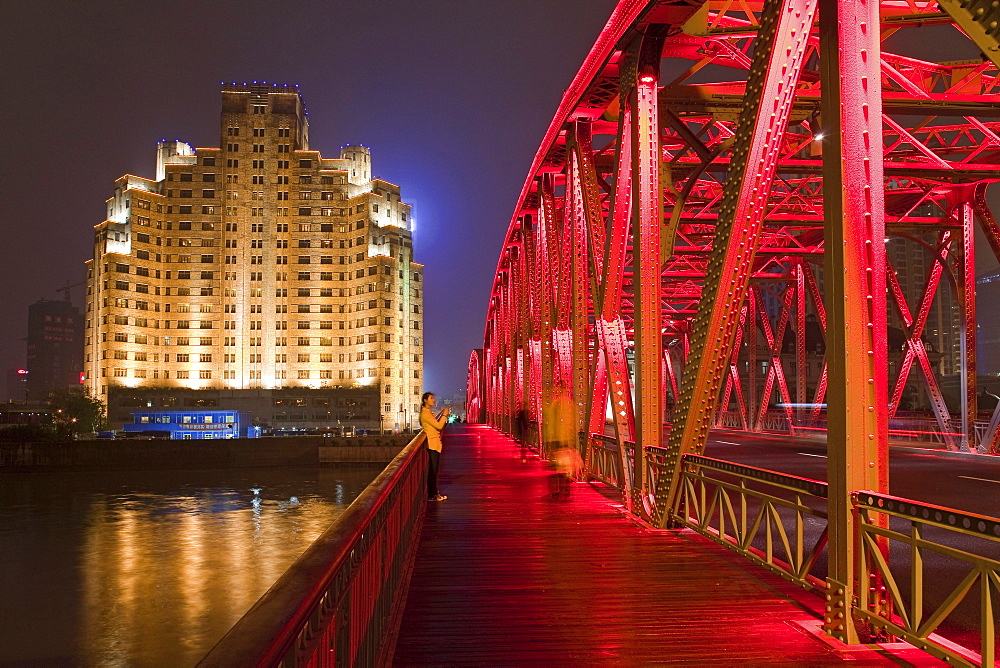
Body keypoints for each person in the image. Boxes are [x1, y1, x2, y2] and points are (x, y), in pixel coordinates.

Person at [420, 391, 450, 501]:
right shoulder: (425, 414)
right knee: (433, 471)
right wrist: (444, 414)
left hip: (434, 444)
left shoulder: (428, 412)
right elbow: (439, 425)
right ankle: (432, 495)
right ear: (425, 400)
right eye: (431, 398)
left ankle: (433, 494)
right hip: (433, 444)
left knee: (433, 471)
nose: (434, 400)